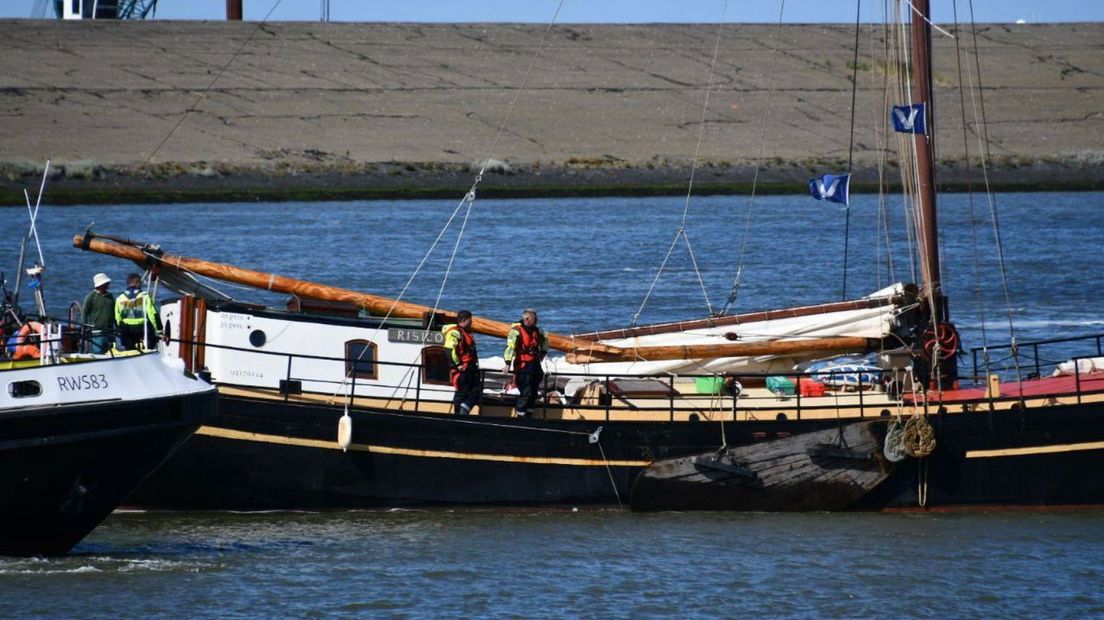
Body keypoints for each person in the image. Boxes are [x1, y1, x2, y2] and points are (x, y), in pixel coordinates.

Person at [503, 308, 548, 417]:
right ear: (527, 319)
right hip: (523, 364)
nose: (537, 320)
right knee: (526, 391)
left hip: (535, 364)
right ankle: (520, 415)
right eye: (534, 318)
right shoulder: (516, 331)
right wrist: (507, 363)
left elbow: (545, 340)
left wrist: (543, 352)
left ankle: (529, 414)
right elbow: (510, 347)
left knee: (534, 391)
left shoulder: (537, 330)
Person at [442, 310, 480, 416]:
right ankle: (458, 416)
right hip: (462, 369)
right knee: (461, 393)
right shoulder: (455, 332)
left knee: (476, 390)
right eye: (470, 320)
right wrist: (458, 365)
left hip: (471, 368)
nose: (471, 322)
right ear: (463, 320)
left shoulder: (466, 332)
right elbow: (449, 350)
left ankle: (464, 409)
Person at [114, 273, 161, 350]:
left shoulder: (119, 298)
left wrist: (120, 329)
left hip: (127, 330)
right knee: (152, 338)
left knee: (128, 344)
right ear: (137, 283)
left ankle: (129, 350)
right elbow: (153, 314)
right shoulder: (144, 296)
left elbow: (117, 318)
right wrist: (159, 331)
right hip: (142, 329)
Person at [81, 273, 115, 354]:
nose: (108, 285)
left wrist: (116, 325)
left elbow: (114, 311)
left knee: (111, 351)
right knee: (98, 351)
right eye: (106, 283)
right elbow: (84, 312)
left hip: (110, 329)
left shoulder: (110, 296)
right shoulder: (91, 297)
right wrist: (84, 327)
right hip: (97, 330)